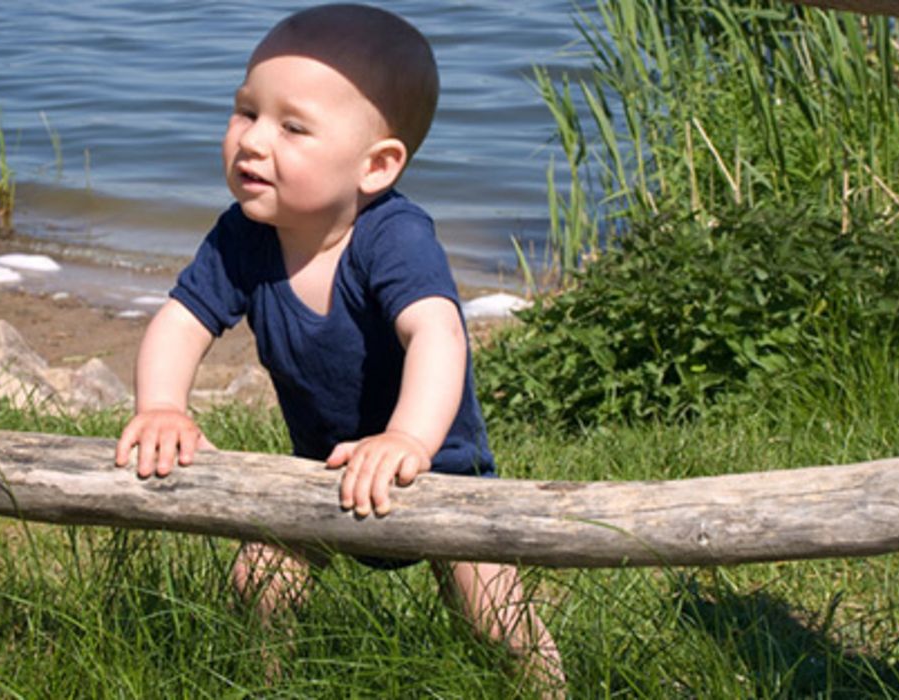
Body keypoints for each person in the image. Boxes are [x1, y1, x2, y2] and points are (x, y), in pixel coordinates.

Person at [113, 3, 564, 688]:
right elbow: (181, 319)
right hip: (320, 470)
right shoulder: (243, 235)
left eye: (292, 126)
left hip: (437, 471)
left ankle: (546, 687)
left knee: (493, 615)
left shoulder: (390, 237)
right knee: (258, 580)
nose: (252, 142)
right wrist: (162, 407)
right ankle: (268, 681)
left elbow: (437, 333)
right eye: (245, 111)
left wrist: (407, 440)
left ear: (376, 166)